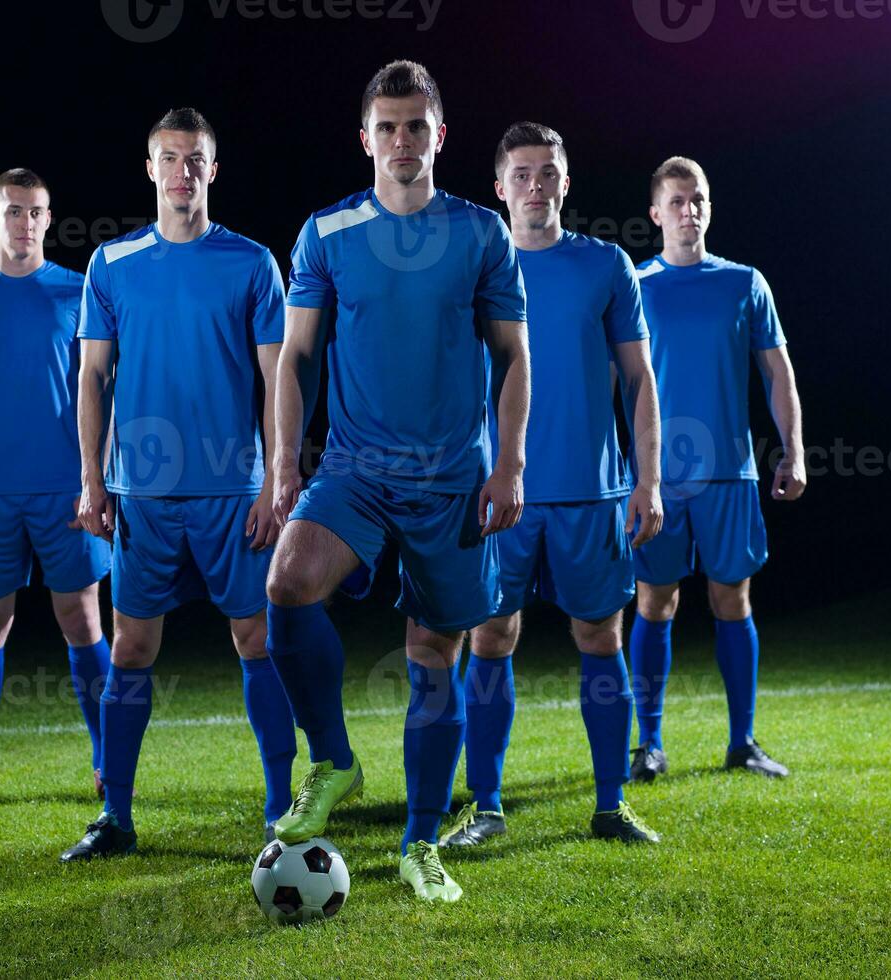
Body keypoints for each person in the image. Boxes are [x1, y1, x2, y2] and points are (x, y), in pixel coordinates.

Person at [266, 61, 530, 902]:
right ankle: (334, 761)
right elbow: (296, 356)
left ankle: (421, 845)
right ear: (366, 138)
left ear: (439, 136)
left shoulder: (481, 234)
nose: (403, 140)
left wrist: (509, 464)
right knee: (287, 583)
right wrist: (282, 462)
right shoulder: (326, 231)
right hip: (354, 468)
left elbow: (514, 356)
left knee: (431, 659)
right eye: (388, 126)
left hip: (452, 479)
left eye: (417, 125)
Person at [59, 108, 294, 861]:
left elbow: (275, 378)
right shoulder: (112, 263)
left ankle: (279, 809)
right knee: (130, 647)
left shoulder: (253, 262)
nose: (182, 171)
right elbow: (92, 377)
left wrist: (274, 480)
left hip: (233, 490)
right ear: (150, 167)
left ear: (212, 170)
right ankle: (116, 819)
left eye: (195, 159)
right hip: (144, 494)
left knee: (256, 639)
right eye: (169, 158)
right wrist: (91, 479)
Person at [441, 122, 665, 850]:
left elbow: (638, 378)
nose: (534, 186)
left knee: (599, 635)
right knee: (491, 636)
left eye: (547, 173)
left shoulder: (605, 265)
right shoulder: (472, 266)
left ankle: (610, 803)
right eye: (521, 174)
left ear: (565, 183)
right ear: (498, 187)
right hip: (497, 494)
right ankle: (486, 805)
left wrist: (646, 479)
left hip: (592, 492)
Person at [0, 168, 112, 807]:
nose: (24, 222)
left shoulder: (77, 291)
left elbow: (104, 392)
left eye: (35, 212)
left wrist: (99, 480)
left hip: (67, 491)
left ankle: (107, 764)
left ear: (48, 218)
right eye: (13, 211)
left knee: (83, 618)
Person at [628, 156, 807, 783]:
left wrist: (795, 449)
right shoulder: (636, 284)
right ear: (656, 213)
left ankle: (743, 742)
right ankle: (648, 745)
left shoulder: (744, 283)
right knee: (655, 600)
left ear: (709, 206)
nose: (688, 210)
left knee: (733, 598)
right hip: (657, 476)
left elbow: (776, 370)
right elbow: (612, 381)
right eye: (676, 201)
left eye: (697, 199)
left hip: (730, 472)